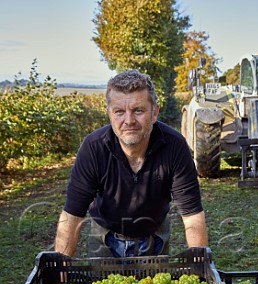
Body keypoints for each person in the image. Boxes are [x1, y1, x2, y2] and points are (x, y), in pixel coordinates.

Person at [54, 70, 208, 258]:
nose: (129, 121)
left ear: (154, 113)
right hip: (104, 238)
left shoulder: (174, 147)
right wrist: (60, 267)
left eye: (138, 110)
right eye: (119, 112)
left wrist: (200, 263)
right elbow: (72, 215)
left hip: (155, 238)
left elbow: (192, 215)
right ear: (109, 114)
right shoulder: (93, 148)